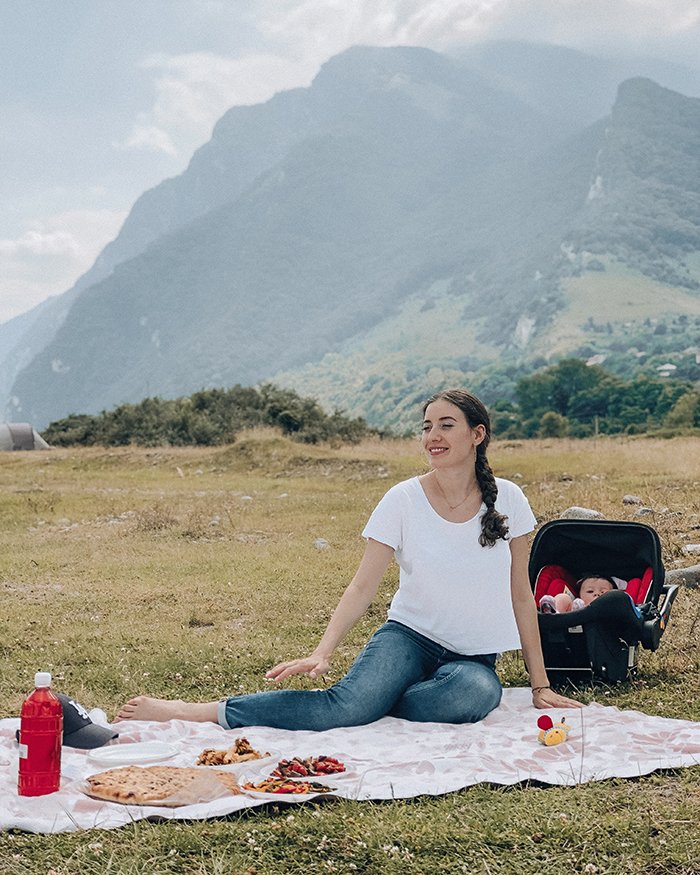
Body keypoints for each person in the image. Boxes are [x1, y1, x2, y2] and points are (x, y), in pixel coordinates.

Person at [116, 388, 581, 730]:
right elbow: (363, 586)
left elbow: (521, 595)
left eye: (446, 425)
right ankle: (199, 712)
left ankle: (376, 701)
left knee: (477, 694)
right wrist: (323, 651)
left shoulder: (510, 500)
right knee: (343, 707)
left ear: (477, 434)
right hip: (409, 638)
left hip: (471, 656)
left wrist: (539, 685)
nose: (432, 436)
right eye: (426, 426)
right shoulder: (401, 499)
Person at [540, 574, 615, 613]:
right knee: (564, 598)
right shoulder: (575, 604)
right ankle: (553, 611)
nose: (597, 594)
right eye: (590, 591)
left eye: (603, 592)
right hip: (570, 626)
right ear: (580, 596)